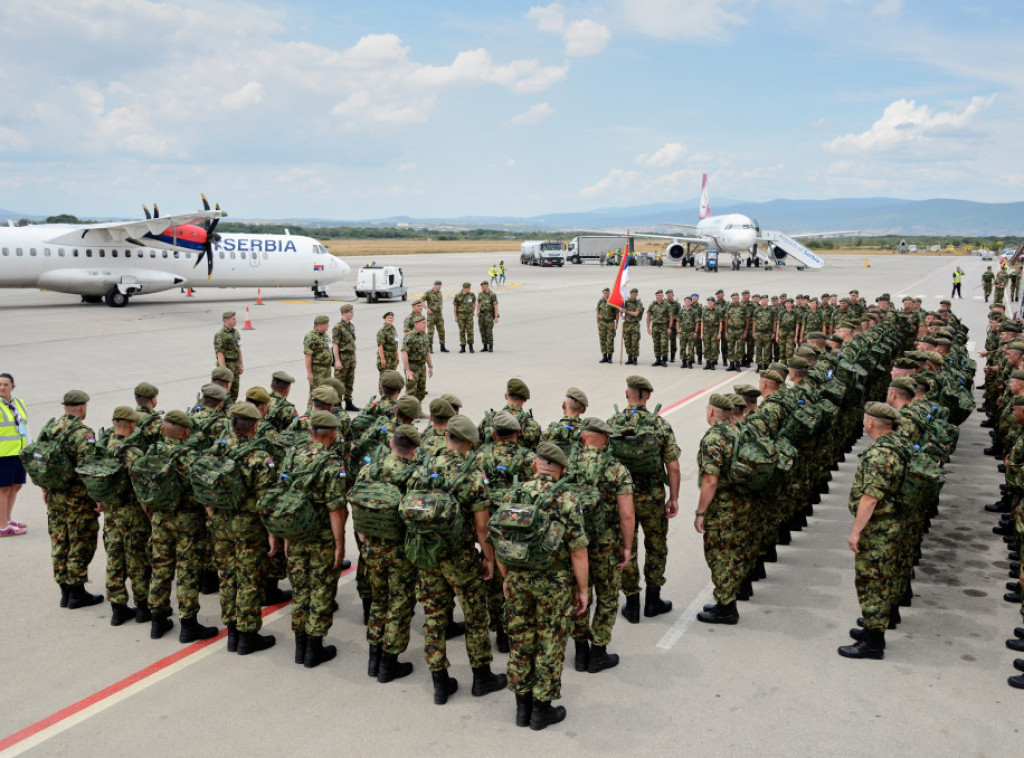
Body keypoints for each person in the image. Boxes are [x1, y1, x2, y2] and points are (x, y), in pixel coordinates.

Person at [413, 415, 506, 705]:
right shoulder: (472, 475)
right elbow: (482, 527)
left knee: (435, 618)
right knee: (476, 615)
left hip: (428, 553)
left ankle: (440, 683)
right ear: (467, 444)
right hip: (459, 557)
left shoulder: (424, 467)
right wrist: (488, 558)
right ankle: (482, 677)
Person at [497, 441, 589, 731]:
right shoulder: (566, 500)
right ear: (561, 470)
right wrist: (583, 589)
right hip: (554, 582)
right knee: (550, 641)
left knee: (521, 640)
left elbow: (499, 540)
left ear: (536, 465)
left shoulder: (514, 493)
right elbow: (578, 551)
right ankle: (541, 711)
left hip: (518, 578)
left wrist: (506, 576)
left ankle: (521, 709)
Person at [206, 402, 279, 655]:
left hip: (220, 523)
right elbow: (265, 500)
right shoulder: (260, 457)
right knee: (249, 578)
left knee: (227, 576)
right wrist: (272, 533)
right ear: (255, 425)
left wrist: (213, 513)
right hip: (248, 527)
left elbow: (205, 486)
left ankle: (232, 632)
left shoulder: (218, 449)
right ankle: (248, 635)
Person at [838, 402, 909, 660]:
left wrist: (856, 531)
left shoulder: (879, 455)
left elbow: (870, 498)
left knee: (872, 581)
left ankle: (873, 642)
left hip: (878, 527)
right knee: (883, 578)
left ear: (870, 423)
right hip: (893, 524)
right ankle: (872, 629)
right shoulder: (897, 444)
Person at [611, 375, 681, 623]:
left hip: (623, 498)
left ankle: (632, 604)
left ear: (626, 394)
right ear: (648, 395)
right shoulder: (659, 425)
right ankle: (653, 600)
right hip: (653, 496)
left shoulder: (614, 424)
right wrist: (673, 497)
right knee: (656, 545)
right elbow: (673, 467)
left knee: (627, 545)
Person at [284, 410, 349, 667]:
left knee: (300, 587)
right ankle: (313, 649)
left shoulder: (292, 455)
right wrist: (339, 544)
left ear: (310, 432)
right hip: (321, 537)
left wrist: (286, 535)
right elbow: (335, 508)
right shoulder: (332, 464)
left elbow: (285, 496)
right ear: (332, 435)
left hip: (296, 532)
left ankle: (300, 646)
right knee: (321, 590)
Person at [146, 410, 218, 644]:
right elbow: (203, 491)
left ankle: (157, 619)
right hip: (186, 521)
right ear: (186, 431)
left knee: (160, 566)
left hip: (159, 518)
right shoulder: (190, 457)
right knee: (187, 570)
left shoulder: (152, 452)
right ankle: (188, 624)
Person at [569, 417, 635, 674]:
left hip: (575, 542)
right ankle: (598, 653)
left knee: (579, 592)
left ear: (583, 437)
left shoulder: (568, 465)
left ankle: (580, 652)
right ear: (605, 439)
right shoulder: (616, 469)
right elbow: (626, 514)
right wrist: (627, 547)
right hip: (605, 541)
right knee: (607, 596)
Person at [356, 424, 421, 682]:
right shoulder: (414, 475)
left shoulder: (369, 468)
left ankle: (373, 657)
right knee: (399, 602)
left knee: (378, 598)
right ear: (414, 450)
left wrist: (362, 534)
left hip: (371, 545)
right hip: (399, 549)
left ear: (392, 443)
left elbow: (358, 502)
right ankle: (388, 663)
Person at [38, 390, 103, 607]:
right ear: (82, 407)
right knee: (80, 541)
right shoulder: (83, 434)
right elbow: (89, 468)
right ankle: (77, 592)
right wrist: (97, 497)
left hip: (56, 495)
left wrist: (45, 488)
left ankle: (64, 590)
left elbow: (41, 462)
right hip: (78, 499)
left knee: (59, 540)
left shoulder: (50, 428)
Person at [97, 406, 151, 625]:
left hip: (111, 512)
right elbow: (141, 491)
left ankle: (117, 608)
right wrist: (149, 516)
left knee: (114, 558)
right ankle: (142, 606)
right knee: (137, 558)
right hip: (131, 514)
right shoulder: (132, 453)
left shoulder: (103, 447)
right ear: (131, 425)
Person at [694, 394, 744, 625]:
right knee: (732, 552)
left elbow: (710, 481)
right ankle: (728, 600)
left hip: (722, 506)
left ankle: (726, 607)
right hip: (741, 502)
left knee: (718, 553)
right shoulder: (738, 431)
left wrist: (701, 512)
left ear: (712, 412)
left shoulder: (713, 439)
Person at [0, 372, 29, 536]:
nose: (2, 387)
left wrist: (28, 446)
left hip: (18, 452)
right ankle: (2, 526)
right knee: (3, 489)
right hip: (2, 454)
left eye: (5, 384)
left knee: (16, 486)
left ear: (12, 387)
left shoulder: (19, 403)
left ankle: (6, 518)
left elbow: (23, 427)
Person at [332, 303, 359, 412]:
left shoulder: (351, 326)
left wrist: (355, 357)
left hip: (350, 358)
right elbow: (335, 345)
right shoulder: (338, 327)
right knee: (339, 382)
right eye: (350, 312)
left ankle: (348, 402)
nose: (352, 313)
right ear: (344, 313)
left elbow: (353, 343)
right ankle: (337, 404)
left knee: (349, 381)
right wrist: (337, 360)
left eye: (352, 311)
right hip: (342, 358)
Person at [400, 314, 432, 401]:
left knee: (421, 392)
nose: (425, 325)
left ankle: (417, 410)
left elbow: (427, 351)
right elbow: (404, 352)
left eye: (425, 323)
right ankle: (408, 412)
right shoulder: (410, 336)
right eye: (422, 323)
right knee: (411, 393)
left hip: (422, 367)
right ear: (416, 324)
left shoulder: (424, 335)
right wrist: (407, 370)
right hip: (412, 367)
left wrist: (430, 366)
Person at [214, 311, 243, 403]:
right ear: (226, 320)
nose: (236, 320)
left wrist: (241, 364)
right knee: (224, 392)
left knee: (234, 391)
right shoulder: (220, 334)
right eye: (233, 319)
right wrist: (224, 370)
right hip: (227, 365)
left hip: (235, 366)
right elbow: (219, 353)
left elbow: (238, 349)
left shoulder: (236, 333)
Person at [304, 315, 333, 393]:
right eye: (327, 323)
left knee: (327, 393)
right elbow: (308, 356)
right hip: (317, 371)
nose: (328, 325)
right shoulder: (310, 337)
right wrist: (309, 373)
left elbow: (330, 349)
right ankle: (311, 406)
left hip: (327, 370)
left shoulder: (325, 335)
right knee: (316, 394)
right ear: (320, 325)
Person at [646, 289, 671, 367]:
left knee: (664, 344)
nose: (658, 297)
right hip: (655, 326)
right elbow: (649, 316)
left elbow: (671, 316)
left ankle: (664, 360)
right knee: (656, 343)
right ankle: (657, 360)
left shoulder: (667, 305)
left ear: (662, 296)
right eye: (657, 295)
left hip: (664, 327)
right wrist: (648, 327)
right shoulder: (652, 305)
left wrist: (669, 327)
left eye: (659, 295)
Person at [423, 282, 449, 353]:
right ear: (434, 285)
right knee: (430, 331)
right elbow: (422, 300)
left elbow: (441, 300)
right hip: (431, 315)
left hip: (439, 315)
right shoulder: (428, 293)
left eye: (440, 286)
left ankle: (442, 346)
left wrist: (441, 305)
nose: (439, 287)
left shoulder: (439, 293)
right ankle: (430, 347)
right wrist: (427, 308)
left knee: (442, 331)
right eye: (438, 286)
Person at [596, 288, 619, 364]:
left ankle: (610, 357)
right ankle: (604, 357)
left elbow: (617, 313)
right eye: (604, 293)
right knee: (602, 340)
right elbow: (598, 312)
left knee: (610, 340)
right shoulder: (600, 301)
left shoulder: (613, 301)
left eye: (607, 293)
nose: (606, 294)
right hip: (602, 322)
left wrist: (616, 324)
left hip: (610, 323)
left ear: (609, 293)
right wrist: (598, 322)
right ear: (603, 293)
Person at [622, 288, 644, 366]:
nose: (634, 295)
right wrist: (622, 313)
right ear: (630, 294)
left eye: (635, 294)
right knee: (627, 342)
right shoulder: (626, 302)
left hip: (635, 325)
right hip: (627, 324)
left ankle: (635, 359)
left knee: (634, 342)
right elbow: (621, 313)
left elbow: (636, 314)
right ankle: (629, 358)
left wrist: (627, 311)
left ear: (637, 295)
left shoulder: (639, 303)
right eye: (632, 294)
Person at [453, 282, 477, 353]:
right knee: (462, 331)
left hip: (469, 315)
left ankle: (471, 346)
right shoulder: (458, 295)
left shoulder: (471, 295)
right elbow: (455, 306)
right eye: (468, 288)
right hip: (461, 315)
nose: (469, 289)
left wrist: (472, 311)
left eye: (469, 288)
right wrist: (456, 316)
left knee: (470, 331)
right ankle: (463, 347)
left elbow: (474, 303)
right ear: (464, 288)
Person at [477, 281, 500, 353]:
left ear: (487, 286)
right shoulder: (480, 294)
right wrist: (477, 311)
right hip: (481, 315)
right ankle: (485, 346)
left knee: (488, 331)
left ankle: (490, 346)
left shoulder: (492, 294)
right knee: (482, 331)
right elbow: (479, 302)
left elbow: (495, 306)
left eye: (483, 286)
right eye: (481, 287)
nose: (482, 288)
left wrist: (496, 316)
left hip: (489, 315)